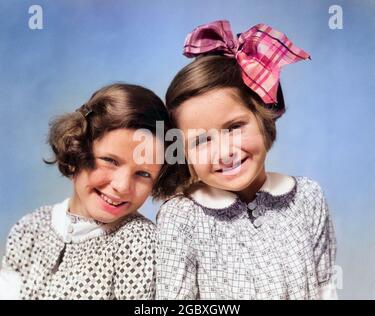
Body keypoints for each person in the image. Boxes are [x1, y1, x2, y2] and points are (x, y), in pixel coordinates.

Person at [156, 20, 337, 299]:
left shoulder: (307, 198)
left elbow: (325, 287)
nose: (224, 152)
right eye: (201, 141)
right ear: (182, 152)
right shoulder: (182, 217)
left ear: (264, 117)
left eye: (234, 127)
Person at [0, 83, 171, 299]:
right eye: (110, 161)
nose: (122, 186)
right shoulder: (30, 227)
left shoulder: (139, 243)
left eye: (144, 174)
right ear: (77, 150)